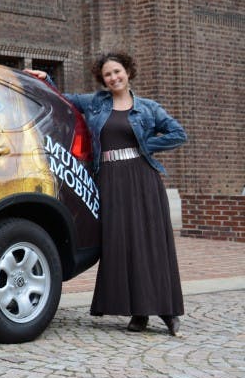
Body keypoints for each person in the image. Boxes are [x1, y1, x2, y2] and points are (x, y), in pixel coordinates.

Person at [25, 53, 187, 336]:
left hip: (143, 179)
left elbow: (178, 133)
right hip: (110, 181)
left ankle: (168, 312)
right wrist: (45, 79)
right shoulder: (97, 103)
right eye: (108, 74)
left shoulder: (148, 108)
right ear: (103, 79)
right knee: (121, 243)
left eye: (117, 72)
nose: (114, 77)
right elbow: (66, 100)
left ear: (128, 72)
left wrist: (145, 145)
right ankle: (138, 313)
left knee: (150, 244)